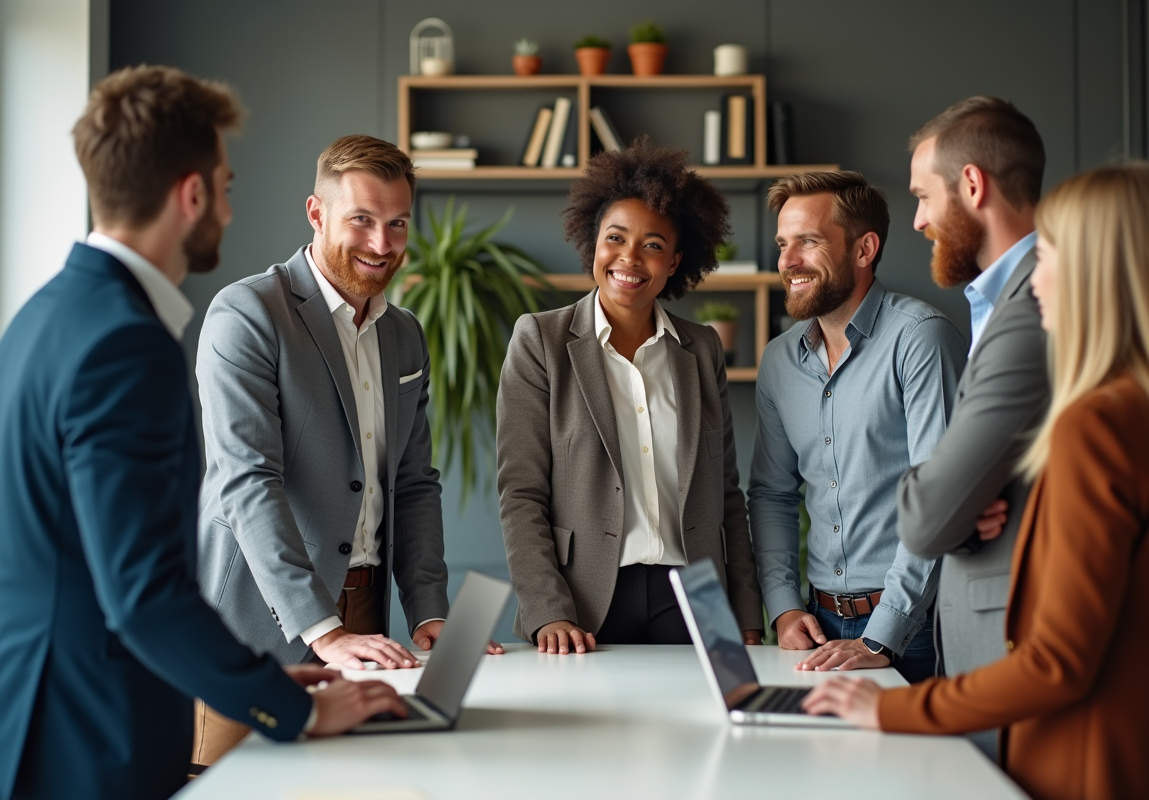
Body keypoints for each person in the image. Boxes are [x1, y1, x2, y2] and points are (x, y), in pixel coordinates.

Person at [0, 66, 407, 800]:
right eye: (223, 183)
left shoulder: (44, 317)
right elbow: (143, 592)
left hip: (44, 716)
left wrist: (265, 679)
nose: (226, 202)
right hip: (89, 736)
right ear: (191, 195)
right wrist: (294, 708)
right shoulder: (124, 344)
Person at [803, 164, 1149, 800]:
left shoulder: (1095, 425)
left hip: (1087, 761)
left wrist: (886, 709)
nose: (1034, 280)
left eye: (1051, 255)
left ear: (1100, 271)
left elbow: (1055, 664)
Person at [193, 134, 492, 768]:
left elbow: (413, 484)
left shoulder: (405, 335)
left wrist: (430, 612)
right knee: (228, 786)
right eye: (361, 220)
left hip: (366, 608)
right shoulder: (246, 314)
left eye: (397, 224)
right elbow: (249, 480)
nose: (382, 245)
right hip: (257, 620)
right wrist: (320, 628)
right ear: (316, 213)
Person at [497, 137, 763, 653]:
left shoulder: (702, 347)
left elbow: (727, 494)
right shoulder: (541, 341)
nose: (630, 258)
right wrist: (548, 610)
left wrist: (747, 611)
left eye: (653, 245)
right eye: (615, 238)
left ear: (675, 261)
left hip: (696, 594)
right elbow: (521, 493)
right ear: (593, 243)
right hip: (585, 599)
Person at [748, 171, 966, 684]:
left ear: (865, 249)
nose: (787, 261)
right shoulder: (779, 361)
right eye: (783, 243)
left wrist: (882, 635)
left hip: (916, 626)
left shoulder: (921, 340)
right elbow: (772, 494)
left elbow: (941, 500)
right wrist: (782, 608)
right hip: (816, 627)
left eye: (809, 241)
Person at [896, 97, 1050, 759]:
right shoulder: (1004, 301)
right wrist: (957, 501)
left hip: (1011, 647)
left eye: (923, 197)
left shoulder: (1032, 309)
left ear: (972, 186)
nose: (918, 220)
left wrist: (944, 497)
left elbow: (928, 517)